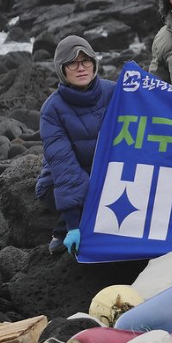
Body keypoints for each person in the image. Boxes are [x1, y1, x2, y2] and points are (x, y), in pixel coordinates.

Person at [36, 36, 115, 255]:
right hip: (58, 183)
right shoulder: (52, 110)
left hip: (103, 174)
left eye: (86, 61)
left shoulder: (114, 92)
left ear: (94, 63)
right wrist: (72, 224)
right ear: (62, 69)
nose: (81, 68)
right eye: (72, 63)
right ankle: (62, 229)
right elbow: (64, 167)